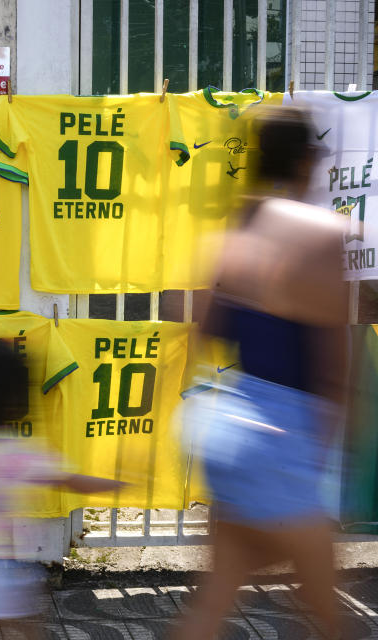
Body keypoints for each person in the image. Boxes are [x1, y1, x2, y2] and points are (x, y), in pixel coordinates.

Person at [173, 107, 348, 639]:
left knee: (214, 604)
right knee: (331, 618)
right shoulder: (321, 234)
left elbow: (202, 334)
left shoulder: (233, 233)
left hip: (226, 431)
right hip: (282, 442)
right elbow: (336, 371)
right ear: (305, 160)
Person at [0, 341, 124, 640]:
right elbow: (69, 480)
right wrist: (118, 484)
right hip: (0, 565)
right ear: (17, 398)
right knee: (25, 629)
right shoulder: (13, 453)